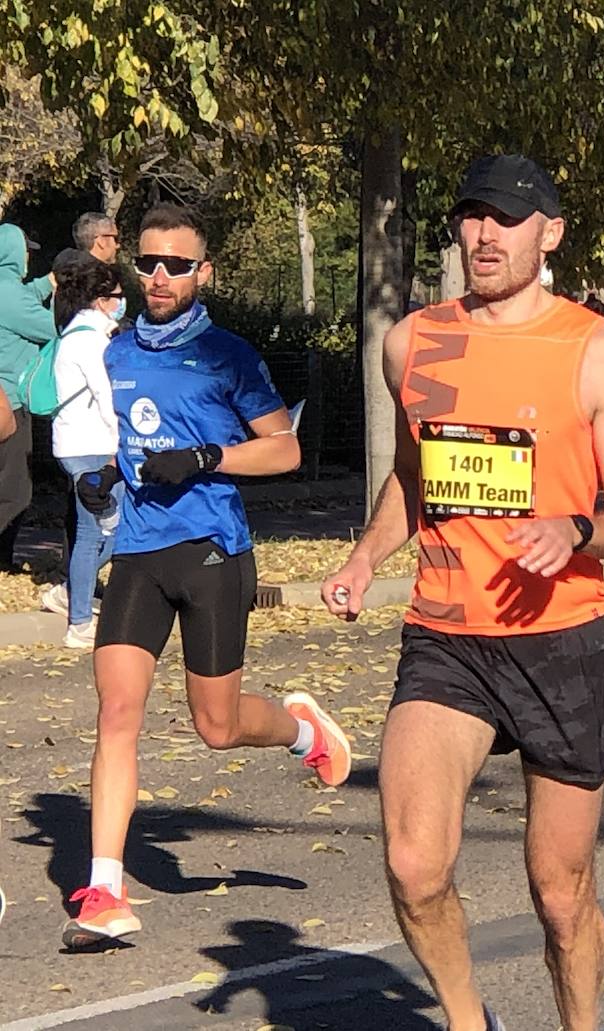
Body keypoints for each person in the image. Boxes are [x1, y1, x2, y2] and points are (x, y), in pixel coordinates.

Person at [322, 154, 604, 1031]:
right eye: (471, 216)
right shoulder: (414, 341)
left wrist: (575, 529)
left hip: (562, 640)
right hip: (448, 637)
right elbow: (411, 478)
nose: (483, 234)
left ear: (550, 232)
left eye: (505, 218)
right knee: (413, 863)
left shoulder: (595, 350)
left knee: (559, 891)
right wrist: (365, 559)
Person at [61, 203, 352, 949]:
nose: (159, 276)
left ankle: (300, 729)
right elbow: (116, 441)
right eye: (149, 262)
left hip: (213, 550)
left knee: (216, 726)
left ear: (204, 272)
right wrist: (100, 481)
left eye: (177, 265)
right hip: (140, 552)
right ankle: (104, 888)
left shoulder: (228, 355)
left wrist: (206, 458)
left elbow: (282, 450)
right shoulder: (117, 350)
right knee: (116, 710)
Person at [46, 257, 126, 648]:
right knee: (100, 532)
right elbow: (106, 394)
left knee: (106, 530)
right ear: (99, 300)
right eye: (116, 297)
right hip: (93, 447)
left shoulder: (75, 334)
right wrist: (126, 439)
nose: (121, 302)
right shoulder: (91, 340)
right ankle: (78, 620)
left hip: (81, 445)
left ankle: (72, 594)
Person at [0, 224, 55, 571]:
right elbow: (52, 327)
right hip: (12, 403)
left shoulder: (9, 289)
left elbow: (26, 296)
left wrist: (49, 282)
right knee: (16, 489)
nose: (30, 256)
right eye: (26, 250)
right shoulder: (10, 295)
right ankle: (2, 559)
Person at [52, 212, 120, 273]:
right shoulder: (100, 280)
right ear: (101, 241)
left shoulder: (62, 275)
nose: (118, 245)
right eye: (116, 239)